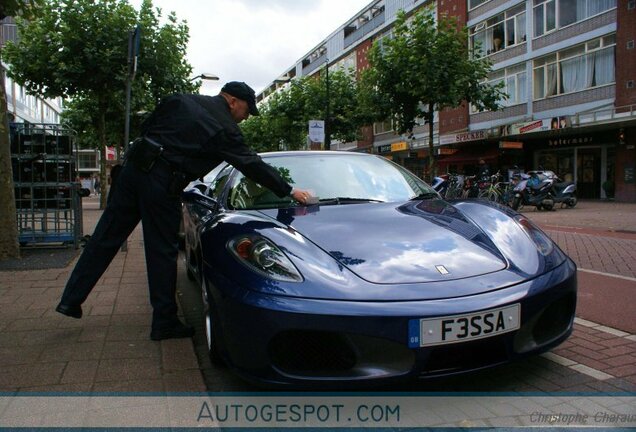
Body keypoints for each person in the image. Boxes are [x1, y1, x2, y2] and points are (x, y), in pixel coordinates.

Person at [55, 81, 313, 341]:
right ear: (232, 101)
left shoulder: (180, 99)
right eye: (247, 111)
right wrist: (289, 190)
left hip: (133, 170)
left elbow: (149, 127)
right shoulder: (225, 128)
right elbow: (250, 164)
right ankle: (164, 323)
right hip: (162, 181)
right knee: (161, 250)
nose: (245, 118)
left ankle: (70, 300)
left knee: (104, 236)